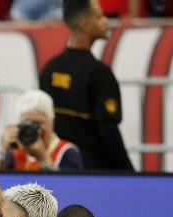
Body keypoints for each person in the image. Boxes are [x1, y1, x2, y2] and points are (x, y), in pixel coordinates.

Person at [39, 0, 134, 171]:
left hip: (60, 166)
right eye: (99, 17)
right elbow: (109, 130)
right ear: (84, 23)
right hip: (95, 171)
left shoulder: (50, 68)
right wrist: (129, 172)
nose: (106, 21)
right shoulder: (100, 73)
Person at [0, 89, 82, 172]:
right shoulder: (15, 152)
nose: (32, 129)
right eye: (26, 123)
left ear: (52, 122)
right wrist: (2, 153)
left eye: (37, 123)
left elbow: (69, 184)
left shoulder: (66, 152)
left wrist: (42, 157)